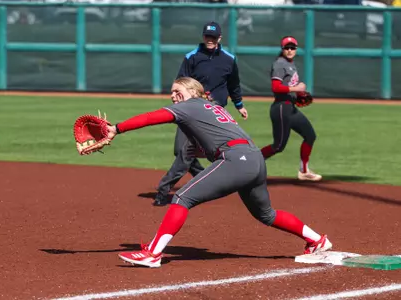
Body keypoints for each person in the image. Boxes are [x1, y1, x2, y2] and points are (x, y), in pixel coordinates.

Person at [103, 77, 332, 268]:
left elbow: (152, 118)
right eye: (171, 92)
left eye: (177, 90)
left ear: (193, 91)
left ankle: (153, 254)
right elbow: (216, 145)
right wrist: (200, 150)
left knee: (183, 197)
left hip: (237, 159)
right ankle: (316, 240)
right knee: (266, 215)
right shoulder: (212, 107)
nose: (173, 96)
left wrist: (116, 128)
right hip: (254, 158)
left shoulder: (189, 105)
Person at [153, 21, 249, 206]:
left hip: (214, 114)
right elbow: (180, 83)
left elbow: (234, 84)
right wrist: (178, 103)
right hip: (191, 110)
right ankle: (204, 179)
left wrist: (239, 104)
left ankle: (163, 190)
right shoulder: (192, 57)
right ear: (203, 36)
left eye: (213, 37)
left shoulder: (229, 59)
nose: (210, 40)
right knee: (180, 151)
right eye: (207, 36)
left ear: (219, 38)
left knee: (186, 153)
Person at [260, 36, 322, 181]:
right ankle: (248, 164)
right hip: (281, 108)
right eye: (287, 48)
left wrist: (298, 94)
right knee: (278, 146)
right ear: (282, 49)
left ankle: (304, 170)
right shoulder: (280, 64)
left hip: (289, 106)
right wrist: (296, 88)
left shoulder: (291, 64)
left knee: (310, 135)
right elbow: (275, 87)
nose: (289, 50)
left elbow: (288, 88)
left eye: (292, 48)